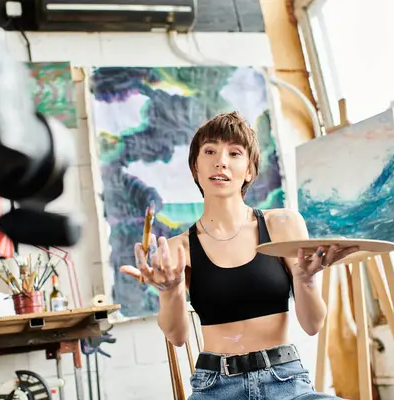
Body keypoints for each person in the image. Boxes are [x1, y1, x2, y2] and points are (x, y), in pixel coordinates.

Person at [120, 111, 359, 399]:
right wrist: (170, 292)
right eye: (210, 151)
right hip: (215, 387)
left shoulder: (283, 225)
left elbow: (312, 325)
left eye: (234, 153)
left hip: (286, 382)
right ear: (195, 167)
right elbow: (177, 336)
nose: (221, 160)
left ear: (249, 171)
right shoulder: (177, 248)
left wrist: (304, 279)